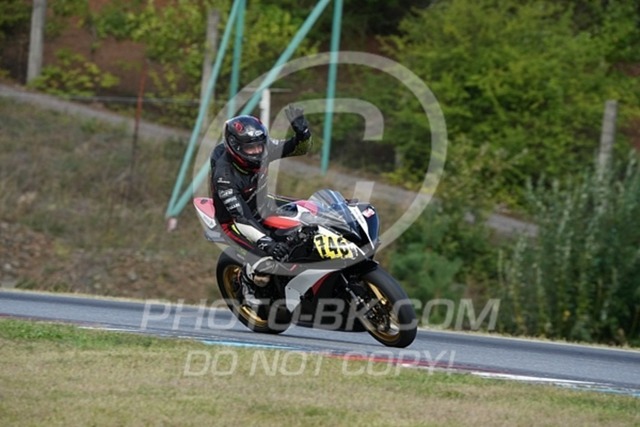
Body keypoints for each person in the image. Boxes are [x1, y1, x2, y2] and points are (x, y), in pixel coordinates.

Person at [209, 105, 311, 306]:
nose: (257, 152)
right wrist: (267, 243)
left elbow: (299, 149)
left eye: (259, 146)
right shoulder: (224, 175)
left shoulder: (264, 147)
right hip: (234, 222)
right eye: (250, 148)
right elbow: (241, 217)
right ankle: (247, 283)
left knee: (309, 215)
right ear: (235, 147)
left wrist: (303, 133)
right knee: (269, 259)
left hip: (264, 205)